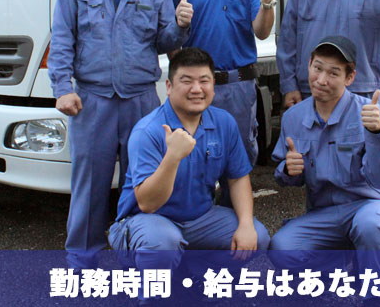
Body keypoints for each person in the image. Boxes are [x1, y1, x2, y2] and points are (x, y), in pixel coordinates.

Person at [47, 0, 193, 270]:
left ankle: (137, 254)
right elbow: (62, 40)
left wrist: (180, 25)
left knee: (141, 183)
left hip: (141, 101)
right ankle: (82, 260)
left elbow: (164, 42)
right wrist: (62, 88)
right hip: (91, 100)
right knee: (89, 186)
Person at [268, 35, 380, 307]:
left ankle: (377, 296)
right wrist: (288, 169)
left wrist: (377, 132)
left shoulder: (369, 112)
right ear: (309, 65)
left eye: (333, 73)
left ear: (349, 77)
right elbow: (287, 175)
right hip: (324, 214)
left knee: (370, 226)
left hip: (370, 205)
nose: (321, 80)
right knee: (282, 248)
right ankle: (341, 267)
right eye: (317, 68)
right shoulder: (293, 117)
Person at [108, 47, 270, 274]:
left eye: (204, 81)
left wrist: (245, 225)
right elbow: (148, 203)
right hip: (148, 221)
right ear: (169, 86)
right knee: (162, 243)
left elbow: (237, 179)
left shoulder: (224, 122)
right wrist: (172, 157)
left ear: (213, 84)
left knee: (258, 236)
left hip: (200, 219)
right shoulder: (148, 131)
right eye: (186, 81)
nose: (196, 89)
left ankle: (196, 276)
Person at [170, 0, 276, 176]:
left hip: (237, 87)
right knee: (192, 158)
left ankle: (235, 205)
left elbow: (262, 32)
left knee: (237, 160)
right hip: (194, 87)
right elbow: (170, 38)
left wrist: (267, 1)